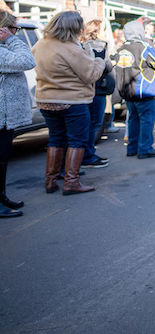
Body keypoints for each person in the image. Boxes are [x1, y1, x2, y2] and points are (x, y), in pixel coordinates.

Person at [32, 11, 110, 195]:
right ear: (74, 27)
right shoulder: (70, 48)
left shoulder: (40, 44)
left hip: (46, 100)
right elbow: (91, 73)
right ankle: (71, 182)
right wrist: (99, 60)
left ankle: (50, 180)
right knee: (77, 140)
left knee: (56, 138)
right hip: (71, 100)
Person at [0, 11, 35, 216]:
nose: (17, 34)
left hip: (4, 117)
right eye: (14, 29)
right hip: (2, 116)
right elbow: (27, 61)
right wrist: (12, 39)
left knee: (3, 159)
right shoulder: (3, 50)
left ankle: (2, 196)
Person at [115, 20, 155, 159]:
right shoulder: (144, 48)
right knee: (146, 121)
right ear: (140, 32)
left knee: (133, 120)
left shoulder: (121, 49)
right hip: (144, 91)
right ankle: (145, 148)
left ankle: (132, 148)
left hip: (127, 92)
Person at [80, 19, 115, 169]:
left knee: (87, 124)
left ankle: (85, 154)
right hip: (97, 89)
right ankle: (87, 155)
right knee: (93, 123)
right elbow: (106, 66)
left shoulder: (80, 45)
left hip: (87, 89)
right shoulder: (99, 46)